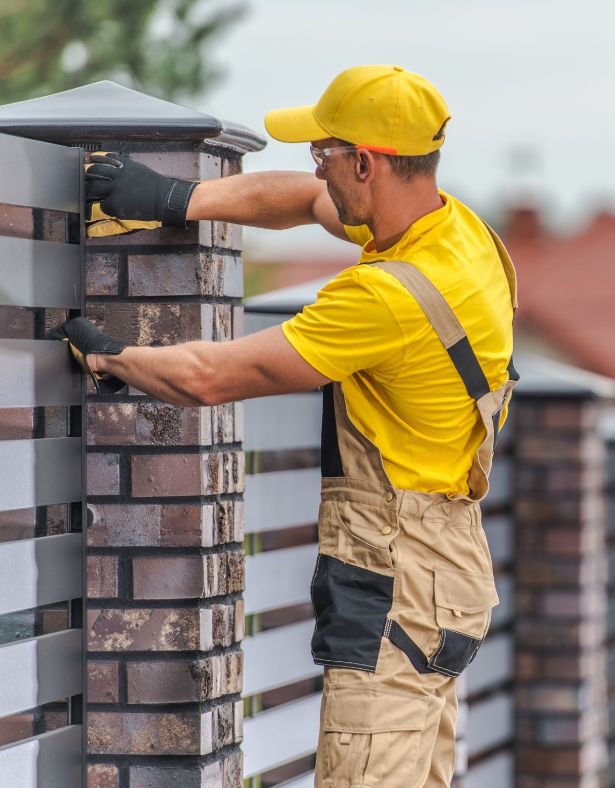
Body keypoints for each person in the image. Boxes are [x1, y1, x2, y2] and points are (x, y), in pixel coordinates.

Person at [50, 64, 517, 787]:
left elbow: (215, 376)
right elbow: (303, 202)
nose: (316, 170)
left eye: (323, 154)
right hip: (445, 574)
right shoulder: (458, 237)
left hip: (393, 575)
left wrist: (116, 357)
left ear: (367, 162)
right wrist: (177, 198)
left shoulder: (385, 298)